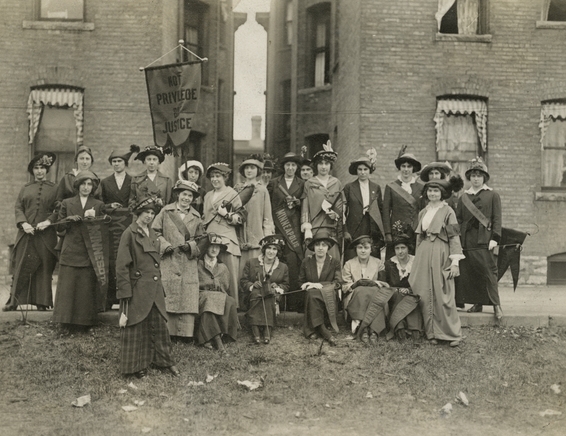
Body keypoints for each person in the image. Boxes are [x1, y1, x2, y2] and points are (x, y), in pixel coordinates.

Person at [116, 192, 180, 378]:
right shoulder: (129, 233)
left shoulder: (153, 234)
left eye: (152, 213)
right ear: (138, 213)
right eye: (146, 212)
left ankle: (164, 362)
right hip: (137, 289)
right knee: (136, 327)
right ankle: (135, 367)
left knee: (159, 325)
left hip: (154, 288)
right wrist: (125, 293)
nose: (149, 216)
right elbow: (121, 266)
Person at [409, 176, 465, 347]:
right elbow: (419, 237)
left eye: (436, 191)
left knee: (443, 293)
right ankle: (431, 332)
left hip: (441, 251)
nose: (432, 194)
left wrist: (455, 262)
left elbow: (454, 237)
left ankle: (452, 334)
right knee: (424, 291)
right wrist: (417, 258)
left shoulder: (448, 211)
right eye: (430, 191)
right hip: (424, 252)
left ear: (442, 194)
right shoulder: (423, 212)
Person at [4, 153, 58, 312]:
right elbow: (18, 208)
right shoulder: (25, 188)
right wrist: (23, 223)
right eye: (36, 168)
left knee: (44, 267)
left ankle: (42, 302)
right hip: (26, 234)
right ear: (32, 170)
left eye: (42, 168)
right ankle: (13, 302)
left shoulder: (55, 188)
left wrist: (48, 222)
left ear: (47, 170)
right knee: (22, 265)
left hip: (45, 235)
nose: (39, 171)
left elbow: (59, 208)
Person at [52, 171, 106, 330]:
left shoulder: (98, 204)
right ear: (77, 185)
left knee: (85, 287)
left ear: (93, 187)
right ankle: (65, 322)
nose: (86, 187)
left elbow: (103, 228)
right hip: (70, 249)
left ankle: (84, 323)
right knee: (68, 286)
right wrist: (67, 220)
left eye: (89, 184)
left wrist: (94, 222)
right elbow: (59, 228)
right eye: (83, 183)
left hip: (89, 251)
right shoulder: (67, 203)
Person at [152, 180, 204, 341]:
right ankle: (167, 333)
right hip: (169, 260)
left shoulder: (196, 216)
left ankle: (185, 334)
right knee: (169, 293)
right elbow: (154, 231)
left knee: (187, 295)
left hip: (188, 263)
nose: (186, 198)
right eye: (184, 194)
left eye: (190, 196)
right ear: (177, 195)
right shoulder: (165, 212)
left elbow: (202, 240)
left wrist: (191, 246)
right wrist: (164, 245)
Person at [456, 157, 503, 320]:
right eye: (473, 175)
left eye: (479, 175)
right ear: (469, 177)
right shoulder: (463, 197)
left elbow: (497, 218)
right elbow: (459, 219)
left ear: (484, 177)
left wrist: (495, 238)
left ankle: (496, 305)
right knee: (471, 272)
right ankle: (477, 302)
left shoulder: (493, 195)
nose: (476, 178)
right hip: (468, 240)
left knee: (489, 272)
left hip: (485, 240)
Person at [95, 147, 135, 310]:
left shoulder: (133, 181)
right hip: (111, 226)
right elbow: (99, 203)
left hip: (127, 223)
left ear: (125, 163)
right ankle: (110, 298)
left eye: (119, 161)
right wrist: (109, 205)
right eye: (114, 162)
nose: (117, 164)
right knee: (111, 259)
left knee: (127, 257)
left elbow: (135, 200)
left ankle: (125, 298)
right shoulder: (105, 182)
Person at [202, 163, 245, 307]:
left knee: (229, 274)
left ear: (225, 177)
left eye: (218, 176)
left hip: (227, 238)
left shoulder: (232, 193)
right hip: (210, 238)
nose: (215, 179)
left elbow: (241, 218)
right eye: (212, 177)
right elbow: (205, 217)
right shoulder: (208, 195)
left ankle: (232, 308)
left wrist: (226, 214)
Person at [267, 152, 305, 311]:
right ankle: (273, 304)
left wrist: (298, 203)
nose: (290, 168)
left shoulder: (303, 184)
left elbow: (307, 205)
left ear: (297, 167)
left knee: (292, 265)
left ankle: (292, 305)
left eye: (293, 165)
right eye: (287, 165)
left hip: (294, 230)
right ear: (283, 167)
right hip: (277, 226)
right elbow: (268, 204)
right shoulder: (274, 183)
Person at [241, 235, 289, 344]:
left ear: (278, 251)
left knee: (269, 294)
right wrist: (252, 285)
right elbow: (243, 280)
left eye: (274, 249)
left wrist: (277, 287)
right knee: (256, 293)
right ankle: (255, 329)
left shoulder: (283, 267)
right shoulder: (252, 263)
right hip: (253, 296)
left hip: (273, 296)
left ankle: (268, 328)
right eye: (269, 248)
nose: (271, 252)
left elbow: (286, 285)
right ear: (264, 249)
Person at [342, 236, 390, 346]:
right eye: (360, 247)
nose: (363, 251)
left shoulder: (378, 263)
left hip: (374, 295)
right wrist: (356, 284)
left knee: (373, 292)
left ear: (371, 249)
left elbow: (384, 284)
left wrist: (375, 283)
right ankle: (362, 329)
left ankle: (374, 330)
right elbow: (345, 285)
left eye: (366, 247)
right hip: (355, 297)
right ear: (356, 249)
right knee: (361, 291)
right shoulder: (349, 264)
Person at [196, 234, 239, 354]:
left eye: (217, 247)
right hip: (202, 294)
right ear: (206, 248)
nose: (214, 250)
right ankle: (217, 341)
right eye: (211, 247)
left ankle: (224, 334)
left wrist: (217, 287)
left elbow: (225, 286)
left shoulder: (222, 267)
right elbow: (194, 284)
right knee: (209, 301)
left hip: (218, 294)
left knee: (230, 301)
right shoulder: (198, 264)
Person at [299, 230, 343, 346]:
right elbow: (301, 282)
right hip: (310, 297)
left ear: (328, 247)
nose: (320, 248)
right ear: (313, 247)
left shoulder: (334, 262)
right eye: (317, 245)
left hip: (328, 297)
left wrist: (321, 285)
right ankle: (324, 331)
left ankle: (313, 329)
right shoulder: (306, 261)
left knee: (313, 294)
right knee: (312, 294)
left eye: (324, 245)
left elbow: (338, 282)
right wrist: (310, 285)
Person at [301, 141, 344, 261]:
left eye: (327, 164)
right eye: (320, 163)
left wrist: (336, 214)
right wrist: (306, 227)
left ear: (331, 166)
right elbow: (305, 207)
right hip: (315, 228)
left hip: (331, 229)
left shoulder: (336, 183)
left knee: (332, 261)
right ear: (316, 166)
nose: (324, 167)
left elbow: (341, 205)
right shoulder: (309, 184)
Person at [235, 155, 274, 279]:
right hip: (239, 237)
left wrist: (266, 238)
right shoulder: (237, 189)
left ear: (258, 171)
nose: (249, 171)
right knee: (240, 273)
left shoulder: (262, 190)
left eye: (252, 168)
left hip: (256, 238)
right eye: (246, 168)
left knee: (255, 273)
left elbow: (267, 215)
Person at [383, 146, 424, 258]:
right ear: (399, 168)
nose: (406, 169)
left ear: (413, 168)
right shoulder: (391, 187)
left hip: (415, 234)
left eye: (409, 166)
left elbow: (424, 211)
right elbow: (386, 212)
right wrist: (387, 233)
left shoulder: (421, 188)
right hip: (397, 234)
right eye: (403, 166)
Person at [343, 151, 385, 262]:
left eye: (365, 169)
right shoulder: (349, 187)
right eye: (360, 169)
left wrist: (381, 233)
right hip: (354, 228)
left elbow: (381, 210)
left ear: (370, 171)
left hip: (371, 228)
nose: (362, 172)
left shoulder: (376, 188)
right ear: (356, 171)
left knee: (372, 259)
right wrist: (345, 230)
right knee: (352, 259)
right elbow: (342, 210)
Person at [384, 231, 423, 342]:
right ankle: (400, 329)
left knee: (411, 299)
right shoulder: (389, 264)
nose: (400, 252)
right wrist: (397, 290)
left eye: (403, 248)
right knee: (399, 296)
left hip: (413, 294)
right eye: (397, 248)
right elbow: (385, 284)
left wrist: (410, 290)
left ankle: (414, 330)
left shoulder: (416, 262)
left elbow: (421, 282)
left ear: (408, 248)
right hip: (395, 296)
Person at [129, 145, 172, 209]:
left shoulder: (166, 180)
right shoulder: (136, 179)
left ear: (159, 162)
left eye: (154, 159)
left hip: (160, 216)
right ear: (144, 161)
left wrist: (161, 204)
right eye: (149, 159)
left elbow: (169, 204)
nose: (151, 162)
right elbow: (131, 202)